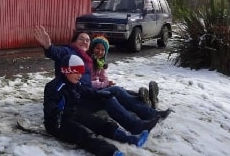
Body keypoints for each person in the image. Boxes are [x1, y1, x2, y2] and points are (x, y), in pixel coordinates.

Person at [34, 25, 166, 134]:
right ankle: (144, 115)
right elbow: (55, 52)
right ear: (74, 41)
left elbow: (93, 78)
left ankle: (145, 115)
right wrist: (48, 46)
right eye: (81, 39)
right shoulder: (68, 52)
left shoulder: (87, 58)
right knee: (112, 93)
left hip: (84, 94)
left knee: (114, 93)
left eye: (87, 40)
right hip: (73, 100)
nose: (85, 41)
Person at [43, 54, 150, 156]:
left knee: (99, 123)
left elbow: (88, 92)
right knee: (84, 134)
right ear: (66, 70)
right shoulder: (55, 86)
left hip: (73, 114)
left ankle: (131, 139)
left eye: (81, 72)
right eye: (76, 72)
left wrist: (102, 94)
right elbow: (49, 104)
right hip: (58, 122)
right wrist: (55, 110)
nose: (80, 75)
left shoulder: (75, 84)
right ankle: (112, 153)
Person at [90, 35, 162, 109]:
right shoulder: (89, 62)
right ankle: (144, 100)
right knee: (118, 92)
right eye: (97, 48)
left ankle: (149, 98)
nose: (99, 52)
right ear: (92, 49)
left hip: (100, 88)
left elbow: (104, 78)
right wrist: (103, 84)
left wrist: (107, 83)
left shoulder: (100, 62)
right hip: (93, 91)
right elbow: (88, 82)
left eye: (102, 50)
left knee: (123, 90)